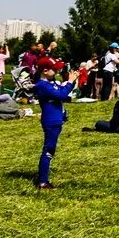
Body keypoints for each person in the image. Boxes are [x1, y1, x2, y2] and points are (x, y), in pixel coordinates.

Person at [34, 59, 78, 188]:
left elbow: (62, 90)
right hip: (51, 121)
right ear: (45, 71)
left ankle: (43, 176)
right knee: (49, 150)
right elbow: (61, 94)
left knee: (50, 150)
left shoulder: (50, 83)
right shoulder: (42, 85)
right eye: (55, 69)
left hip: (56, 120)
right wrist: (70, 81)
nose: (57, 71)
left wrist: (72, 80)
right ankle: (43, 181)